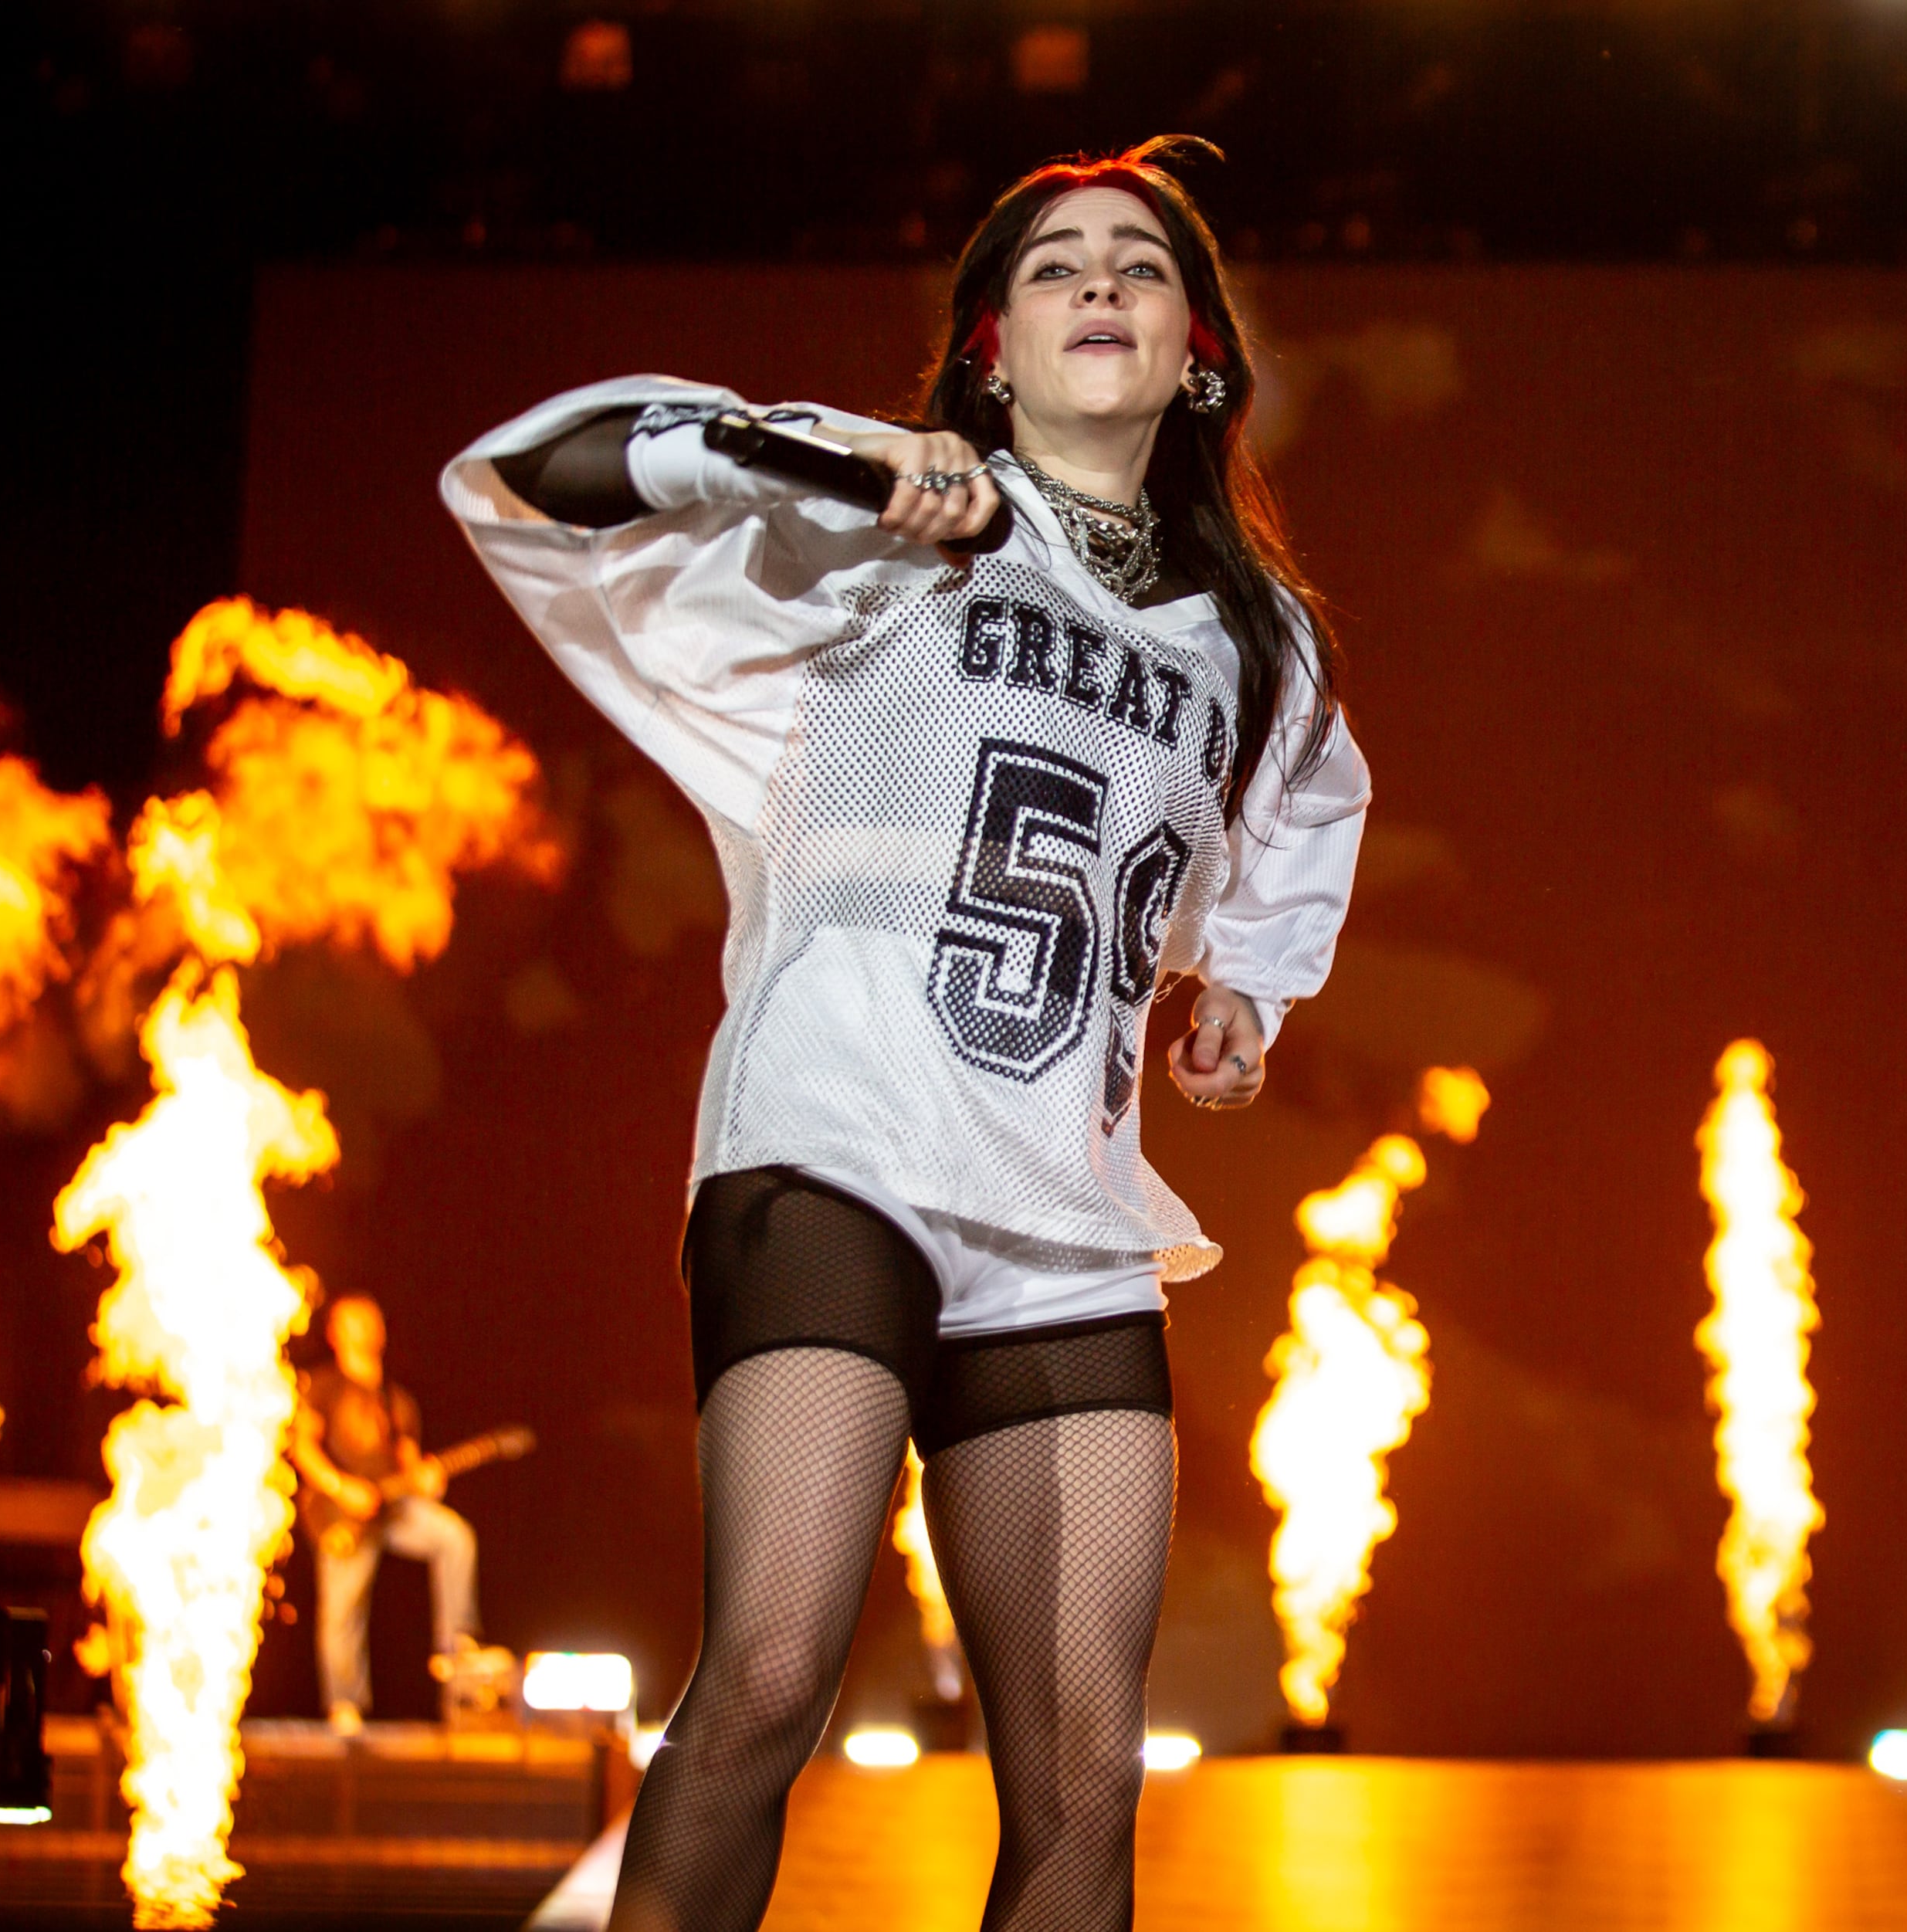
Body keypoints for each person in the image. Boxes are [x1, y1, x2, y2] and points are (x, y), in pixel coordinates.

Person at [441, 136, 1366, 1932]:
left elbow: (1306, 804)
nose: (1098, 281)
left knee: (1089, 1771)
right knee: (773, 1670)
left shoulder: (1254, 639)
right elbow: (531, 475)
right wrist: (796, 451)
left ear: (1197, 354)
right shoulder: (887, 507)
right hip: (834, 1143)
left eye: (1140, 264)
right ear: (985, 352)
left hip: (1065, 1216)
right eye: (1051, 266)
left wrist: (1245, 982)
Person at [289, 1293, 495, 1736]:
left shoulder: (397, 1400)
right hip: (341, 1513)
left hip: (392, 1508)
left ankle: (454, 1643)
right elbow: (302, 1448)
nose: (367, 1327)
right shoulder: (323, 1387)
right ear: (336, 1333)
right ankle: (345, 1705)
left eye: (373, 1320)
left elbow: (409, 1462)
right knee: (342, 1611)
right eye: (356, 1321)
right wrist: (342, 1488)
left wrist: (426, 1480)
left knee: (454, 1537)